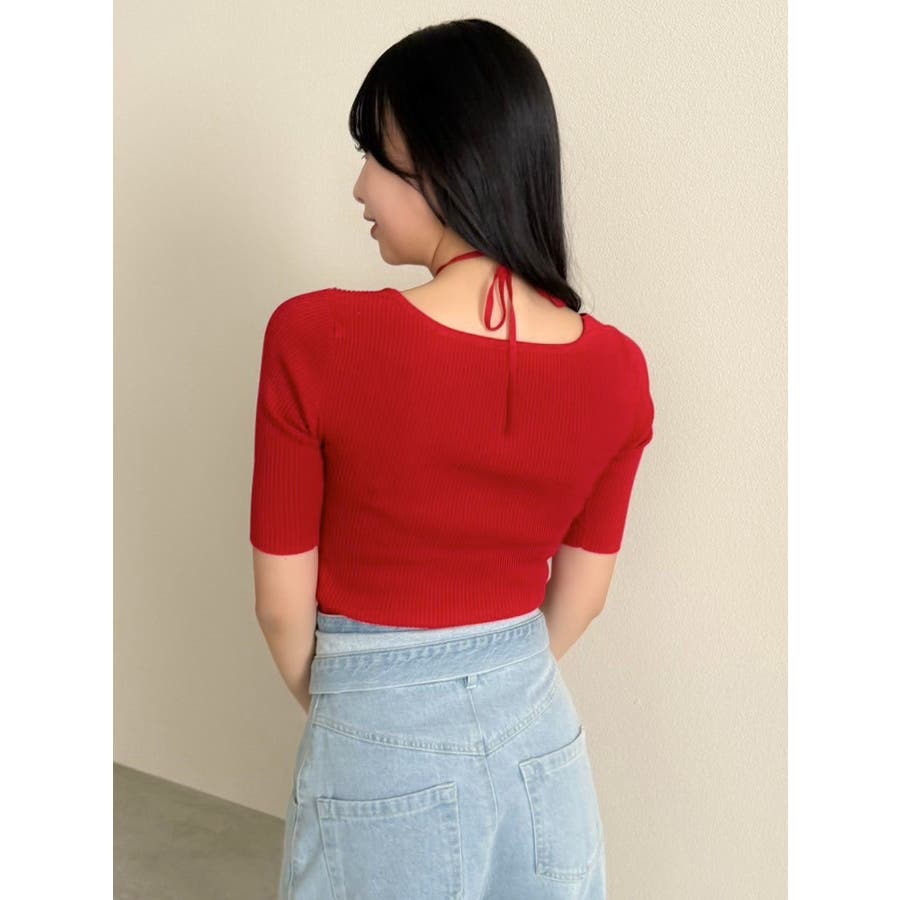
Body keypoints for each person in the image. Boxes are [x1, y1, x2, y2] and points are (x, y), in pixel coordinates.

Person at [250, 18, 655, 900]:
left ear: (445, 165)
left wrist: (366, 711)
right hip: (542, 743)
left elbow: (282, 609)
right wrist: (494, 684)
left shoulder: (317, 338)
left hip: (376, 732)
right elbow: (583, 593)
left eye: (376, 157)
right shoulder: (619, 370)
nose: (360, 185)